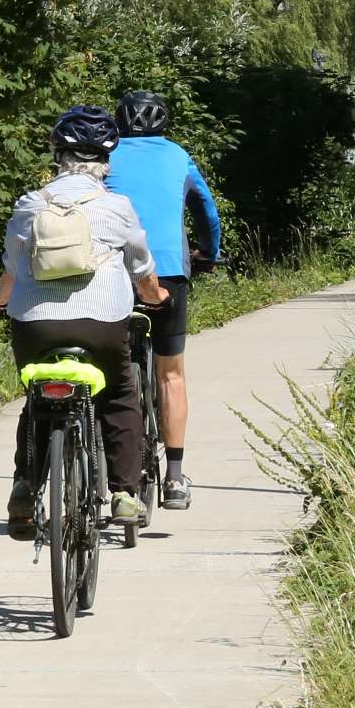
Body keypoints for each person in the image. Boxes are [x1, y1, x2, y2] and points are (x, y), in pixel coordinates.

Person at [0, 104, 169, 538]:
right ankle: (125, 495)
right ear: (105, 162)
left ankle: (24, 489)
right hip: (102, 323)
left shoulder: (30, 203)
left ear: (57, 156)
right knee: (119, 395)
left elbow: (12, 269)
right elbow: (141, 266)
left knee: (37, 399)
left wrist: (0, 300)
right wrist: (156, 297)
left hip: (36, 325)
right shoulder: (117, 206)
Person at [107, 89, 225, 509]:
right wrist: (210, 253)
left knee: (113, 369)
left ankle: (110, 463)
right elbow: (206, 210)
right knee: (170, 374)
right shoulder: (178, 156)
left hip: (114, 271)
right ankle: (174, 478)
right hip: (169, 271)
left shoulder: (105, 154)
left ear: (118, 121)